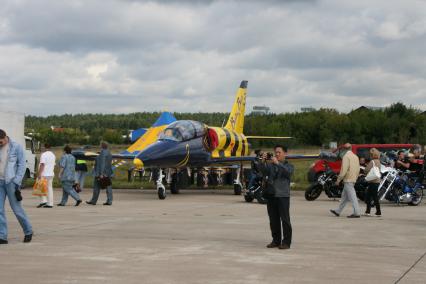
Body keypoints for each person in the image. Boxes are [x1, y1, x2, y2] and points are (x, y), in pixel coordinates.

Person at [0, 129, 33, 244]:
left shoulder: (16, 147)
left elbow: (22, 165)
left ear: (5, 137)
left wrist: (17, 181)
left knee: (16, 209)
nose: (0, 144)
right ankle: (2, 236)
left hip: (11, 182)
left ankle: (28, 231)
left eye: (1, 141)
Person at [258, 145, 294, 250]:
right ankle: (276, 240)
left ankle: (286, 242)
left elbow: (288, 173)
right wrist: (262, 161)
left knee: (285, 220)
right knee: (273, 220)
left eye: (279, 152)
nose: (277, 154)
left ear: (285, 153)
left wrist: (278, 164)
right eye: (275, 152)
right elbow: (263, 171)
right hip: (272, 195)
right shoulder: (271, 165)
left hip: (283, 196)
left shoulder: (289, 166)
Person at [330, 143, 361, 218]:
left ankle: (357, 212)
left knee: (352, 197)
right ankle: (338, 211)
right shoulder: (355, 156)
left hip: (348, 179)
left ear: (344, 149)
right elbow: (358, 169)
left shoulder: (346, 157)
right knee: (344, 196)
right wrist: (356, 177)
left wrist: (338, 180)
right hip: (353, 178)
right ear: (350, 148)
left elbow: (343, 169)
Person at [37, 143, 56, 208]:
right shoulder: (53, 155)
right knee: (49, 188)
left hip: (44, 174)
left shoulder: (44, 155)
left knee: (40, 187)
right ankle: (50, 203)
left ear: (44, 147)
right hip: (50, 174)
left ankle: (43, 201)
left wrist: (39, 173)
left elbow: (42, 164)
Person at [364, 148, 381, 217]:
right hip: (377, 181)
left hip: (372, 181)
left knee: (370, 196)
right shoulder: (379, 161)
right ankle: (370, 211)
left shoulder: (372, 162)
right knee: (373, 196)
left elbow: (366, 170)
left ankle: (377, 211)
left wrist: (366, 168)